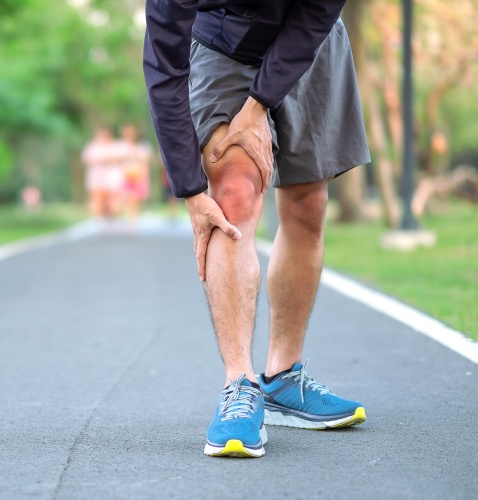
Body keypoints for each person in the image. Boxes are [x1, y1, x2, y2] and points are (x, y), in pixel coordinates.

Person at [144, 0, 371, 458]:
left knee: (309, 203)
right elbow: (164, 65)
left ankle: (282, 377)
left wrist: (259, 104)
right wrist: (191, 192)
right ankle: (239, 385)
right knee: (233, 196)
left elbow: (316, 13)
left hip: (310, 39)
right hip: (224, 44)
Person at [81, 127, 124, 226]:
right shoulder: (93, 146)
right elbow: (86, 159)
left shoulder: (115, 145)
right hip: (97, 177)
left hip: (112, 177)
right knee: (98, 199)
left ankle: (112, 219)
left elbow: (120, 158)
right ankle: (100, 221)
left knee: (113, 200)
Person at [118, 125, 152, 227]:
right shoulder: (120, 146)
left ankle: (132, 220)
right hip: (125, 176)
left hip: (137, 176)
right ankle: (129, 219)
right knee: (127, 197)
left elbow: (146, 161)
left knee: (134, 199)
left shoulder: (141, 146)